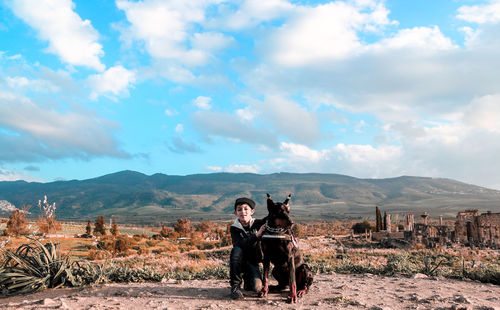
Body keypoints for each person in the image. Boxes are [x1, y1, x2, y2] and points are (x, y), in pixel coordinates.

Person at [229, 197, 266, 300]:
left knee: (256, 288)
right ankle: (235, 287)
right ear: (235, 213)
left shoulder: (258, 224)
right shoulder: (234, 228)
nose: (243, 212)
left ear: (252, 211)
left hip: (253, 262)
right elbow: (239, 244)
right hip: (240, 262)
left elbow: (273, 218)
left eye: (246, 209)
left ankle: (248, 278)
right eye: (239, 209)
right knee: (236, 250)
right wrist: (256, 236)